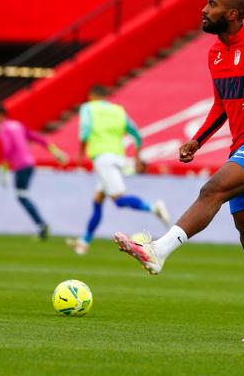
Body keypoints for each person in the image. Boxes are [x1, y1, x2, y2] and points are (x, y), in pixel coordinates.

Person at [113, 0, 244, 343]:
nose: (204, 10)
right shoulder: (215, 53)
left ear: (233, 14)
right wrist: (198, 140)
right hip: (241, 148)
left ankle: (158, 250)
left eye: (213, 5)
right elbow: (221, 105)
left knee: (212, 190)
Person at [69, 85, 169, 255]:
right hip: (117, 157)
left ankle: (153, 208)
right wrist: (137, 157)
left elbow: (85, 131)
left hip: (102, 158)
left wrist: (80, 154)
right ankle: (84, 242)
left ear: (92, 96)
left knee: (119, 200)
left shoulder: (88, 108)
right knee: (98, 200)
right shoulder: (118, 111)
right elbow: (136, 134)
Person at [0, 104, 69, 240]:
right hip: (30, 164)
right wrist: (54, 151)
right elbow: (36, 137)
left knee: (22, 196)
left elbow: (8, 148)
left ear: (0, 115)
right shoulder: (17, 125)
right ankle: (41, 225)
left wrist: (3, 169)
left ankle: (41, 225)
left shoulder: (3, 128)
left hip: (20, 166)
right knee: (23, 195)